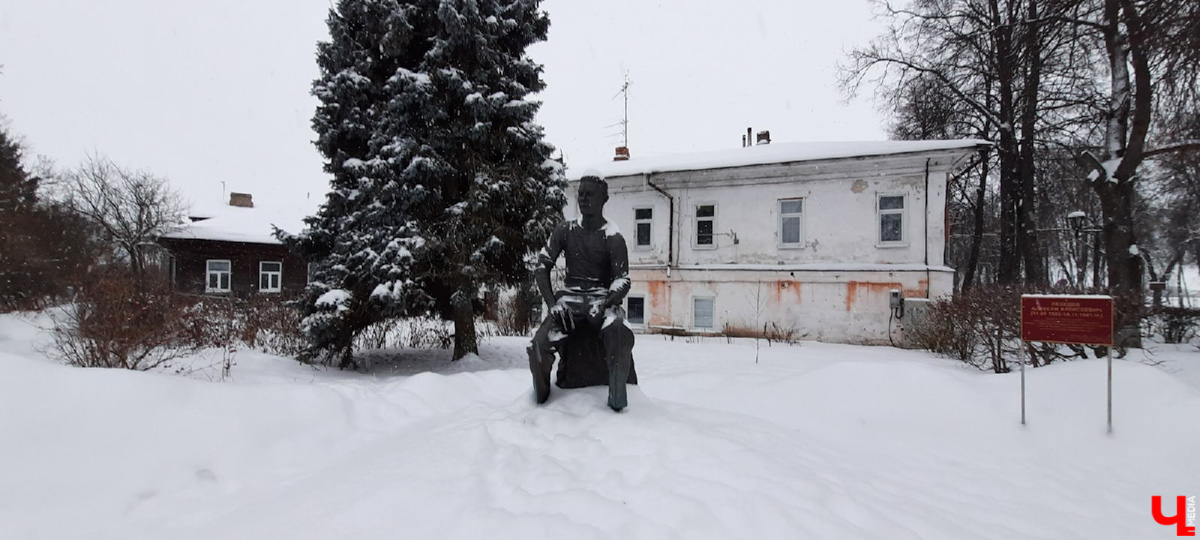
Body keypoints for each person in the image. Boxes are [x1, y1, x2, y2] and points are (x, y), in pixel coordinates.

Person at [528, 174, 635, 411]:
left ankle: (617, 402)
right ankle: (541, 403)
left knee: (618, 332)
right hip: (569, 302)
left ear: (603, 199)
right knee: (538, 345)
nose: (584, 199)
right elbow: (541, 266)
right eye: (581, 194)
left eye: (590, 194)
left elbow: (622, 280)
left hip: (602, 301)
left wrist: (607, 302)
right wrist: (552, 305)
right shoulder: (565, 230)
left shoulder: (613, 237)